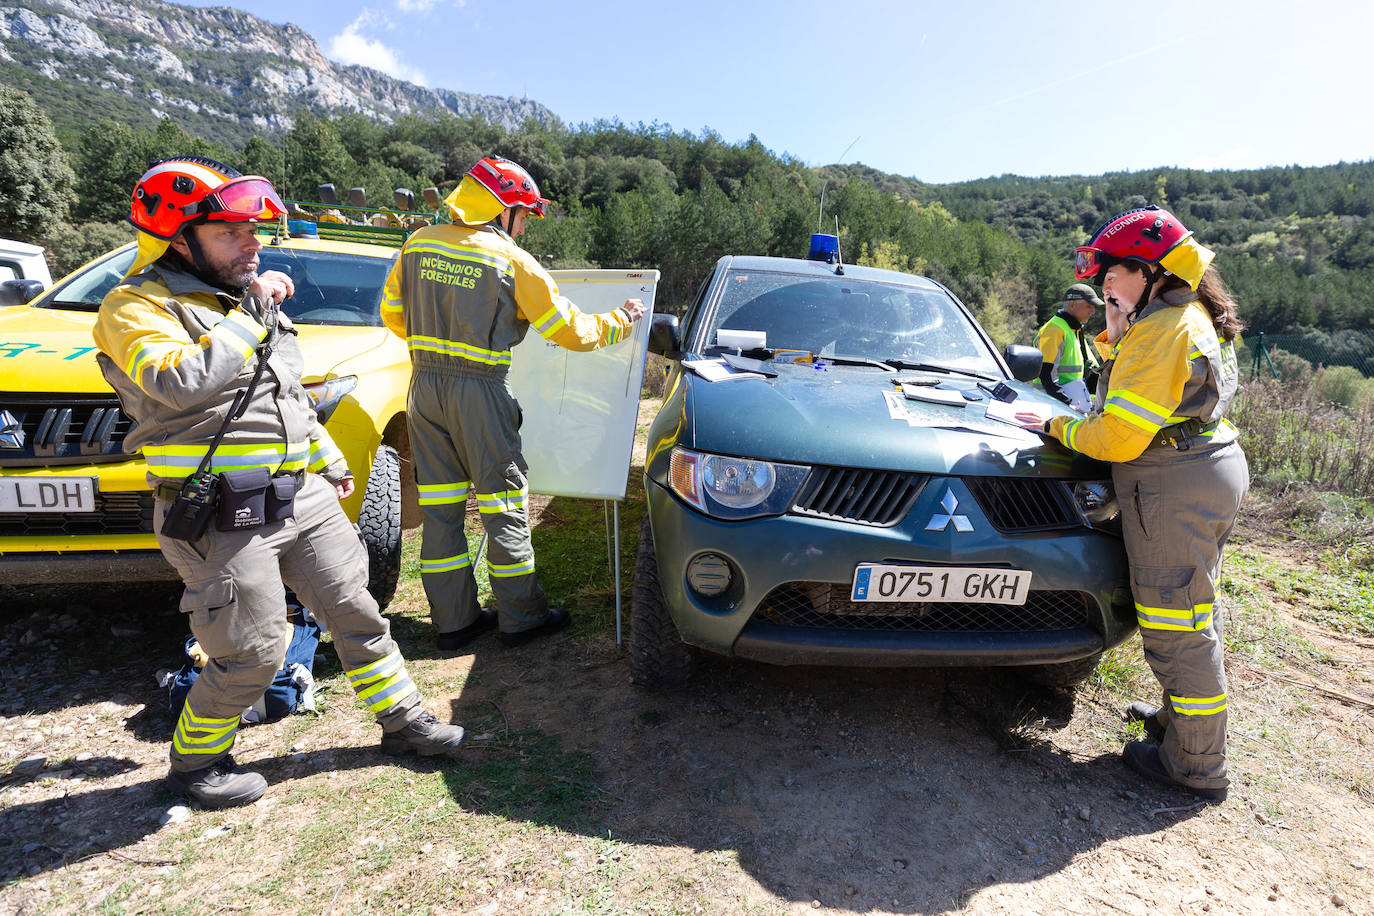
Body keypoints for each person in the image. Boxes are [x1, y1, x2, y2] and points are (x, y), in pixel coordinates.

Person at [93, 156, 467, 810]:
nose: (252, 242)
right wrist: (249, 314)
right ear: (178, 238)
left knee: (357, 612)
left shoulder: (243, 298)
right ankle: (197, 765)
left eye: (253, 230)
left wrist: (324, 452)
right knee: (253, 653)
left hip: (301, 495)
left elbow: (283, 393)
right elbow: (176, 383)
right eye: (230, 232)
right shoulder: (135, 306)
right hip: (218, 514)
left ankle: (404, 722)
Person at [1020, 205, 1248, 802]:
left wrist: (1057, 426)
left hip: (1173, 480)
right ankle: (1181, 727)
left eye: (1113, 275)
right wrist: (1118, 326)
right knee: (1193, 611)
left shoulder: (1163, 329)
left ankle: (1195, 767)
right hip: (1203, 470)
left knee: (1176, 624)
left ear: (1150, 273)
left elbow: (1118, 436)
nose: (1104, 287)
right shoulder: (1179, 315)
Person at [381, 156, 646, 652]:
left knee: (440, 508)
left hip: (424, 390)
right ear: (502, 209)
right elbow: (570, 330)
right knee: (502, 504)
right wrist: (624, 319)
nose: (524, 227)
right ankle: (522, 617)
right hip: (479, 390)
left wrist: (436, 342)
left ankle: (454, 622)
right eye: (523, 215)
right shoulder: (510, 261)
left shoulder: (417, 242)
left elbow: (391, 313)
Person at [1034, 283, 1103, 408]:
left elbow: (1085, 372)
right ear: (1072, 304)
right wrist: (1067, 404)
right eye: (1089, 306)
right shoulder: (1054, 330)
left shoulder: (1073, 330)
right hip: (1054, 406)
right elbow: (1046, 375)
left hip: (1071, 404)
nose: (1092, 311)